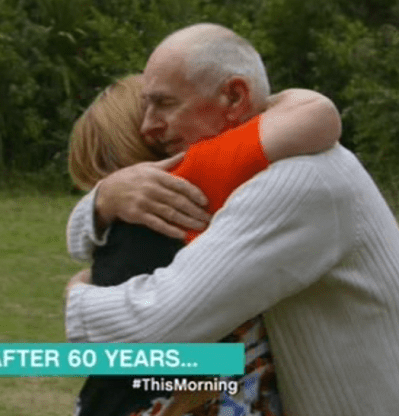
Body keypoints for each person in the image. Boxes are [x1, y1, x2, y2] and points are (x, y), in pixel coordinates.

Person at [65, 23, 399, 416]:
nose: (147, 126)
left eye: (165, 104)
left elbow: (160, 326)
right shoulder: (261, 163)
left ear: (234, 96)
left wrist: (77, 300)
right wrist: (101, 202)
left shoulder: (296, 181)